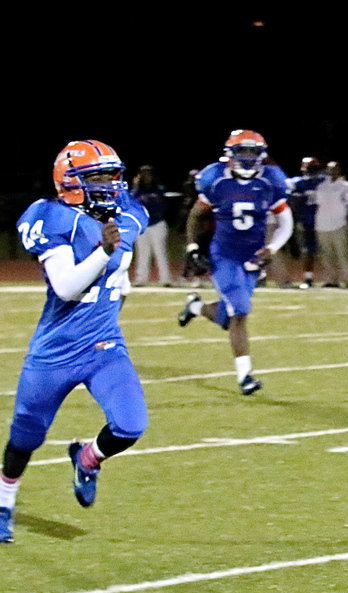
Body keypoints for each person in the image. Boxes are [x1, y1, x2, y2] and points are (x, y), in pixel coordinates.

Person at [1, 140, 149, 542]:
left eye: (111, 177)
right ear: (70, 182)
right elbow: (66, 287)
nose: (108, 186)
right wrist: (104, 252)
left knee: (131, 424)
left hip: (102, 344)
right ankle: (4, 502)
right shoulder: (52, 217)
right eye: (96, 178)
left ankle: (87, 459)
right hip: (56, 350)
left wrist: (121, 282)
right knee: (25, 436)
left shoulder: (129, 214)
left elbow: (123, 266)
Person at [177, 130, 293, 395]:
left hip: (253, 258)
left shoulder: (270, 181)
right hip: (225, 256)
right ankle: (245, 377)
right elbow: (195, 216)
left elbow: (286, 221)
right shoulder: (215, 179)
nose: (248, 157)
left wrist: (272, 248)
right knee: (239, 313)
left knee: (230, 317)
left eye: (253, 152)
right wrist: (194, 247)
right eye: (243, 152)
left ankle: (196, 307)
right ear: (231, 153)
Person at [313, 161, 348, 288]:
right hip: (322, 223)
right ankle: (331, 280)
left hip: (339, 223)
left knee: (342, 254)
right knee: (326, 255)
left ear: (339, 170)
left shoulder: (346, 186)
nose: (332, 171)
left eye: (334, 169)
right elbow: (318, 204)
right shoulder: (322, 186)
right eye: (329, 169)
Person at [286, 157, 325, 289]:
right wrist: (297, 220)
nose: (311, 171)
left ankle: (333, 278)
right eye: (309, 168)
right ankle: (308, 277)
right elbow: (294, 204)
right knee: (308, 250)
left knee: (327, 250)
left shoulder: (324, 181)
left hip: (324, 220)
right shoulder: (298, 183)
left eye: (313, 169)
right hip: (307, 220)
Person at [131, 165, 172, 286]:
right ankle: (141, 279)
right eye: (144, 174)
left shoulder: (159, 189)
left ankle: (166, 279)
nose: (147, 177)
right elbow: (130, 203)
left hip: (157, 223)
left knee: (160, 252)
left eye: (149, 174)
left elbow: (164, 206)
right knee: (142, 253)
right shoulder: (137, 191)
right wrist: (135, 186)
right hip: (143, 226)